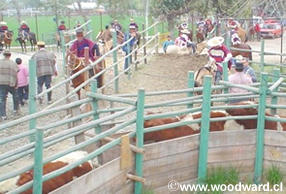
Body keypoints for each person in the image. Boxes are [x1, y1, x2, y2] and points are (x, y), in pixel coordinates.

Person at [0, 50, 19, 120]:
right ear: (10, 55)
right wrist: (17, 83)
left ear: (4, 55)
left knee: (2, 98)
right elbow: (16, 74)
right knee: (15, 95)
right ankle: (15, 109)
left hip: (1, 82)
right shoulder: (13, 63)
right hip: (11, 82)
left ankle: (3, 114)